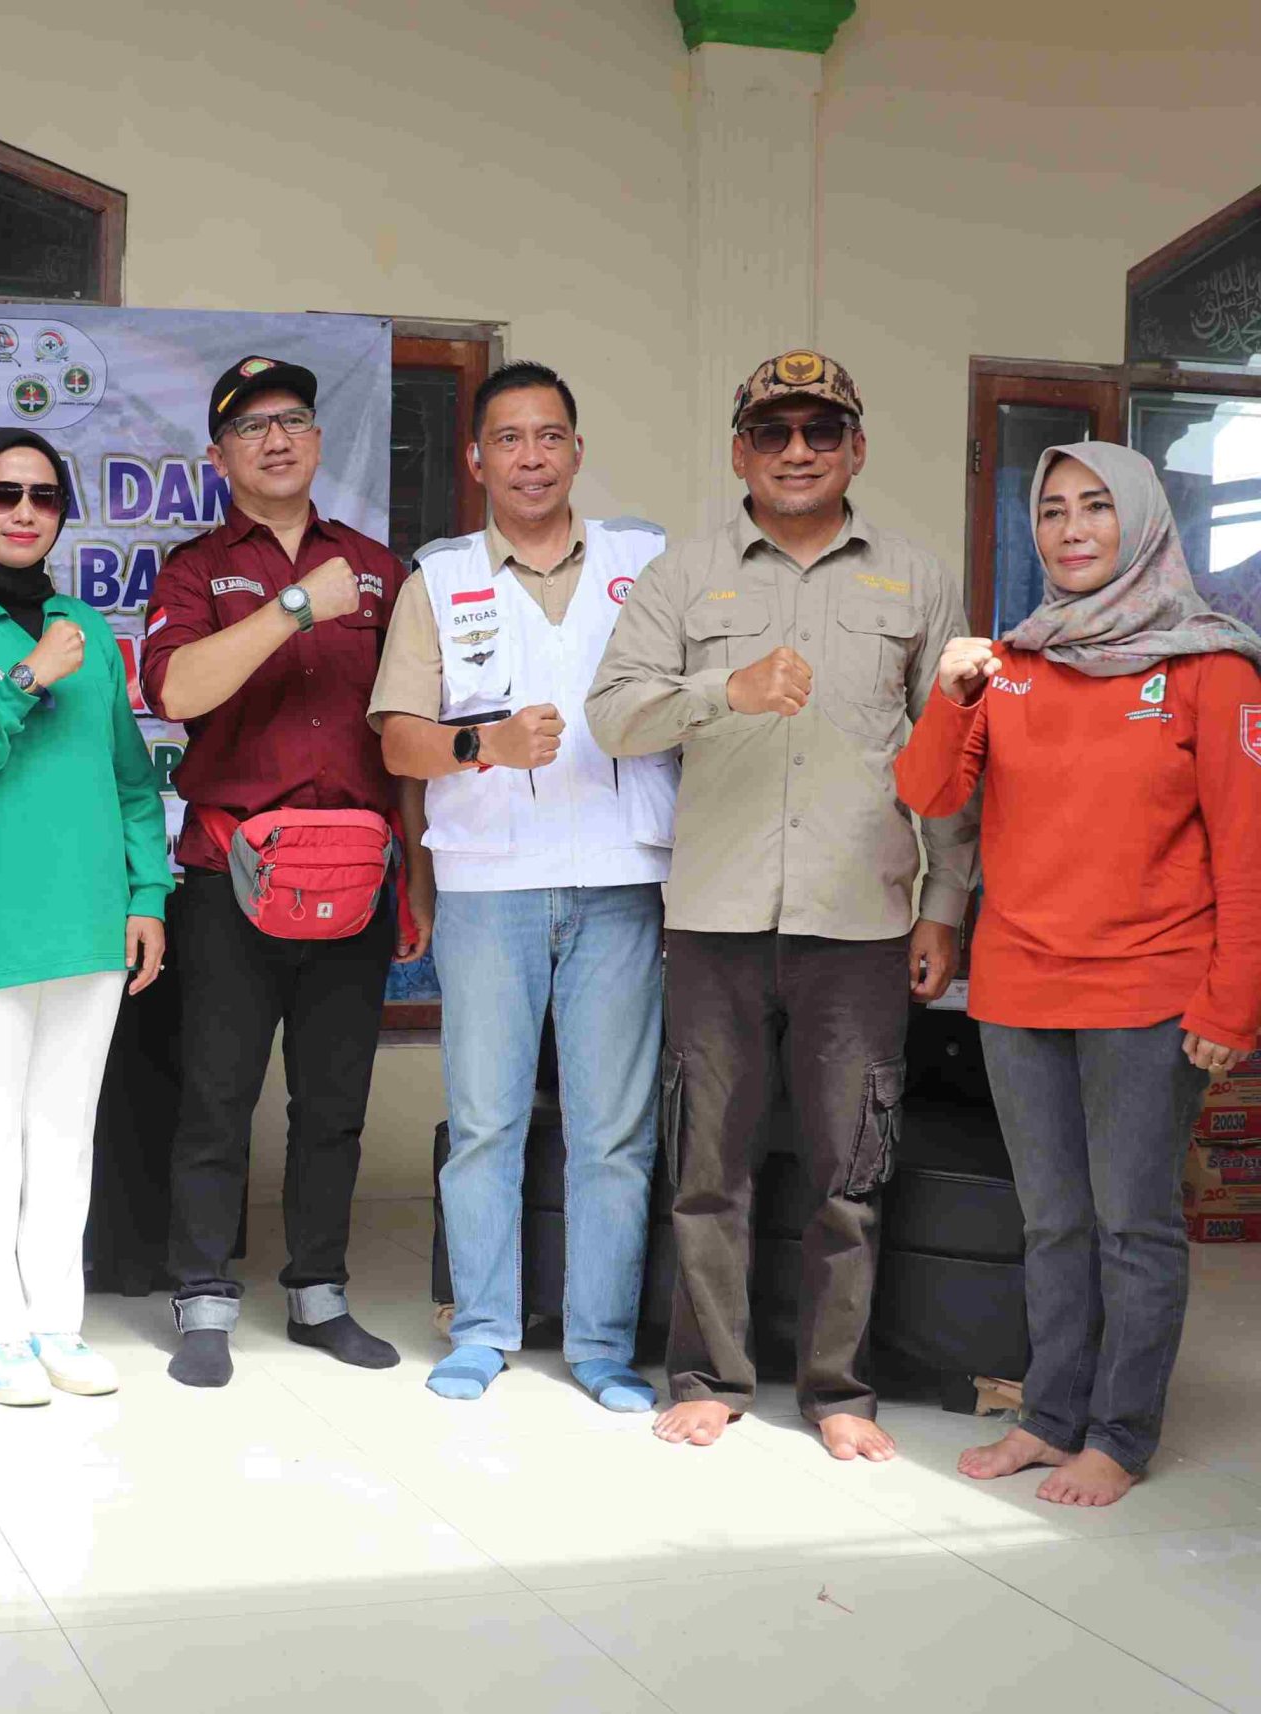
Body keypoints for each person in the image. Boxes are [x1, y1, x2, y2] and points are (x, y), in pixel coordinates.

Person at [586, 349, 978, 1461]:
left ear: (855, 447)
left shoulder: (913, 575)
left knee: (849, 1169)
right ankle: (710, 1374)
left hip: (859, 920)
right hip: (713, 917)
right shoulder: (682, 574)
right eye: (772, 432)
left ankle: (837, 1388)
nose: (795, 451)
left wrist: (944, 900)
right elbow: (612, 717)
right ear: (738, 453)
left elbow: (949, 758)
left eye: (819, 431)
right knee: (706, 1165)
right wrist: (727, 690)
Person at [895, 442, 1261, 1506]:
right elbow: (925, 794)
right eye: (1050, 510)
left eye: (1095, 507)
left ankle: (1120, 1432)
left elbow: (1245, 854)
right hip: (1018, 989)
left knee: (1130, 1223)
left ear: (1141, 521)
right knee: (1050, 1219)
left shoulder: (1209, 667)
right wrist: (953, 690)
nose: (1070, 529)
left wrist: (1232, 1003)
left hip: (1150, 993)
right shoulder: (1011, 661)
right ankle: (1050, 1416)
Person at [370, 361, 673, 1411]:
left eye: (550, 436)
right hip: (490, 887)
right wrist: (482, 741)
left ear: (577, 451)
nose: (531, 457)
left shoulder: (646, 561)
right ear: (475, 459)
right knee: (487, 1121)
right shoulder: (439, 578)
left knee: (612, 1133)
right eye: (509, 439)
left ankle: (599, 1345)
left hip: (619, 880)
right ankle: (485, 1329)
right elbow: (401, 744)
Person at [140, 355, 433, 1390]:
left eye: (295, 420)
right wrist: (296, 610)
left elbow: (401, 736)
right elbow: (177, 688)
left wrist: (419, 879)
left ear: (316, 442)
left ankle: (319, 1294)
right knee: (217, 1100)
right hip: (231, 874)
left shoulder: (382, 572)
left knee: (334, 1101)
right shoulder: (194, 569)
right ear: (219, 456)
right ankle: (204, 1299)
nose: (277, 438)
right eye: (252, 425)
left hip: (356, 877)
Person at [0, 427, 174, 1407]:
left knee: (65, 1128)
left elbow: (134, 782)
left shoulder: (88, 630)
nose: (23, 511)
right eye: (2, 494)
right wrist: (23, 680)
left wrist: (147, 897)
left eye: (44, 496)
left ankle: (55, 1320)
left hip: (91, 919)